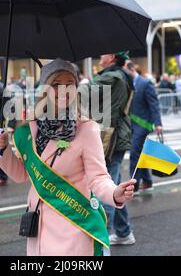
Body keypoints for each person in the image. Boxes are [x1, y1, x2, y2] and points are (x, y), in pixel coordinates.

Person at [0, 59, 135, 256]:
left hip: (73, 227)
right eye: (57, 84)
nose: (64, 91)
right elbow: (22, 174)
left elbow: (98, 178)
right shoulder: (29, 127)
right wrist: (4, 149)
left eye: (70, 84)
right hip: (39, 225)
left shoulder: (86, 128)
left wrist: (115, 193)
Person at [80, 53, 135, 246]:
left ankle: (100, 241)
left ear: (111, 57)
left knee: (105, 188)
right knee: (115, 186)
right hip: (115, 136)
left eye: (103, 54)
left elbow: (83, 93)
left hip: (109, 139)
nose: (100, 57)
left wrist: (76, 82)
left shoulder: (112, 77)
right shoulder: (120, 75)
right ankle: (123, 232)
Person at [126, 62, 162, 193]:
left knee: (135, 152)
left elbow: (154, 104)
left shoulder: (145, 83)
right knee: (140, 153)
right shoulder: (127, 84)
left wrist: (158, 123)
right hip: (131, 123)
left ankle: (134, 184)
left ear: (131, 70)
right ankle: (147, 180)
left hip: (143, 124)